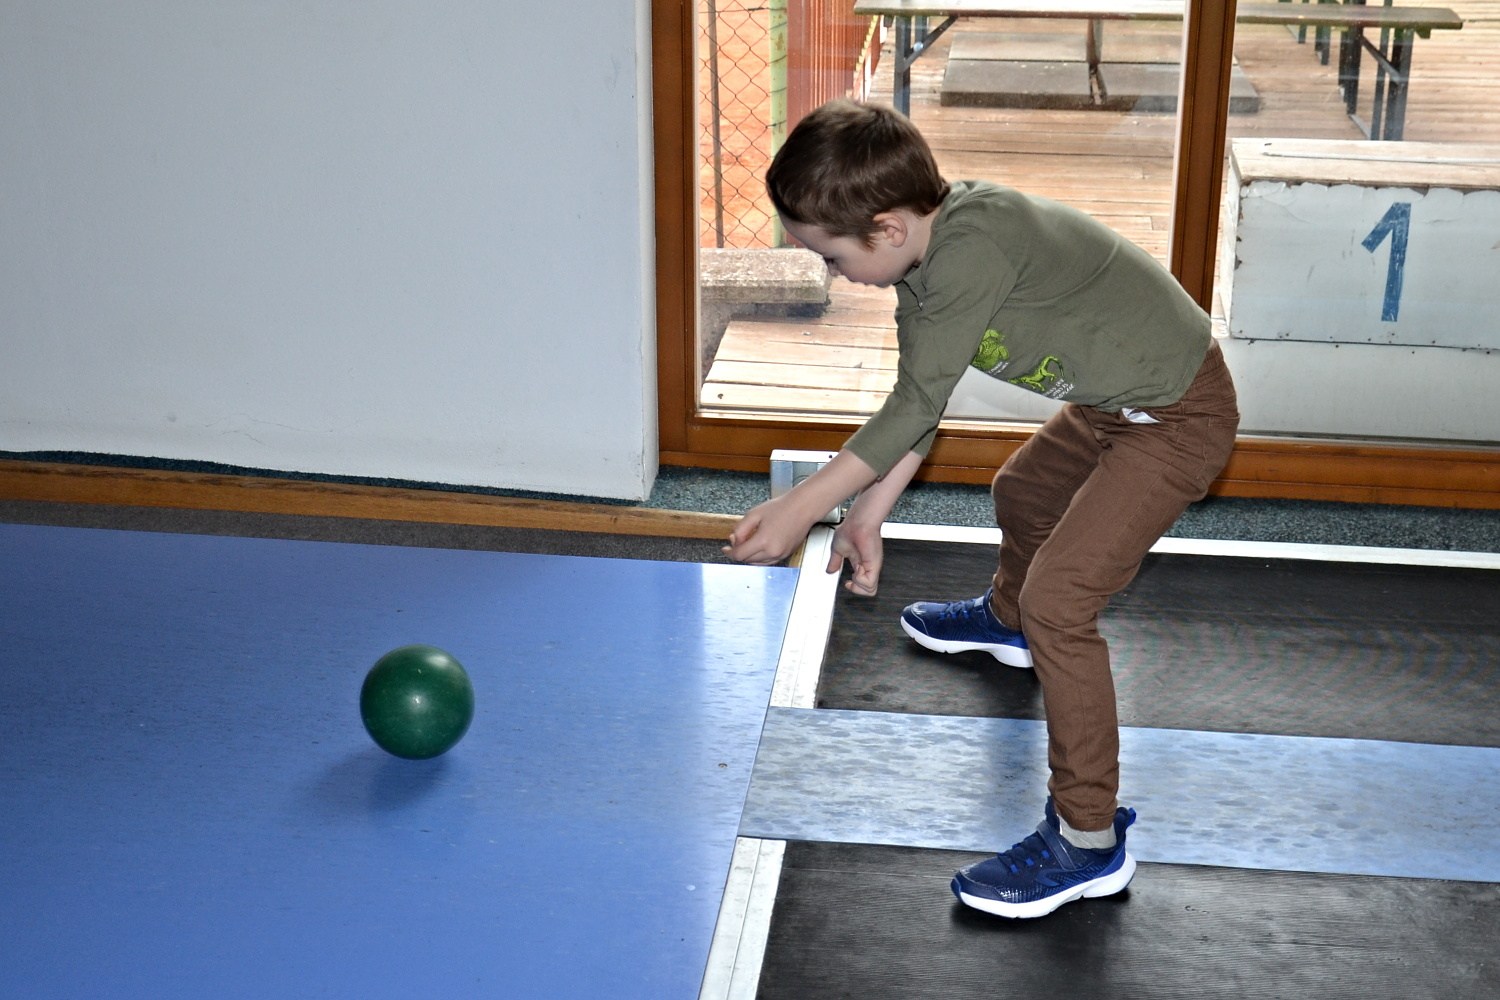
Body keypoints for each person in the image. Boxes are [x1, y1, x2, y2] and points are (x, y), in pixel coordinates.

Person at [723, 99, 1240, 919]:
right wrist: (866, 514)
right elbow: (919, 401)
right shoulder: (920, 260)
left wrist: (803, 506)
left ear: (887, 228)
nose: (833, 272)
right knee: (1023, 492)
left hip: (1177, 415)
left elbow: (911, 405)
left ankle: (1088, 840)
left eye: (830, 254)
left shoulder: (972, 248)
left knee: (1061, 602)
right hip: (1116, 403)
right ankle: (1009, 623)